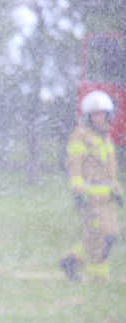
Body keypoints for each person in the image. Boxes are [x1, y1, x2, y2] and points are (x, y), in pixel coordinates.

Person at [59, 90, 123, 283]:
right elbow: (75, 166)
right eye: (95, 114)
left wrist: (117, 191)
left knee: (109, 235)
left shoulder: (104, 137)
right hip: (90, 199)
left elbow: (109, 171)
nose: (99, 117)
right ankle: (98, 277)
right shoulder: (80, 136)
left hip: (105, 200)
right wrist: (78, 192)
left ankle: (71, 260)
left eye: (102, 113)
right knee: (102, 235)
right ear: (88, 116)